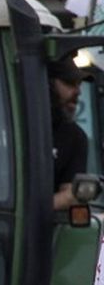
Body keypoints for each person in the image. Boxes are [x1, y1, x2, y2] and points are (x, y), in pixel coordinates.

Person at [48, 56, 90, 210]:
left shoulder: (74, 137)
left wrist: (33, 212)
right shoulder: (4, 122)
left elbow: (70, 195)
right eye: (69, 83)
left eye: (78, 84)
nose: (78, 91)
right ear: (48, 84)